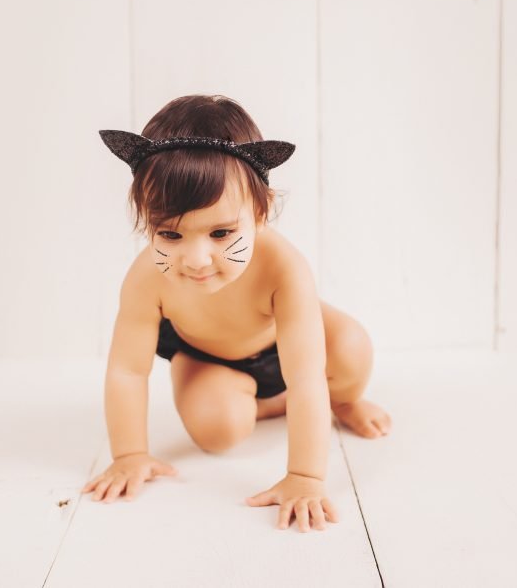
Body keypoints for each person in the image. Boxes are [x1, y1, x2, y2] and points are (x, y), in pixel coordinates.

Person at [81, 94, 392, 533]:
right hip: (209, 358)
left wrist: (305, 476)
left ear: (260, 212)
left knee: (351, 349)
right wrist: (129, 453)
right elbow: (128, 371)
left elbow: (306, 375)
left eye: (221, 232)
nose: (196, 259)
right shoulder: (146, 277)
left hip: (288, 349)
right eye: (169, 233)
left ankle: (341, 400)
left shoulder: (283, 267)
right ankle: (264, 403)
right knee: (217, 430)